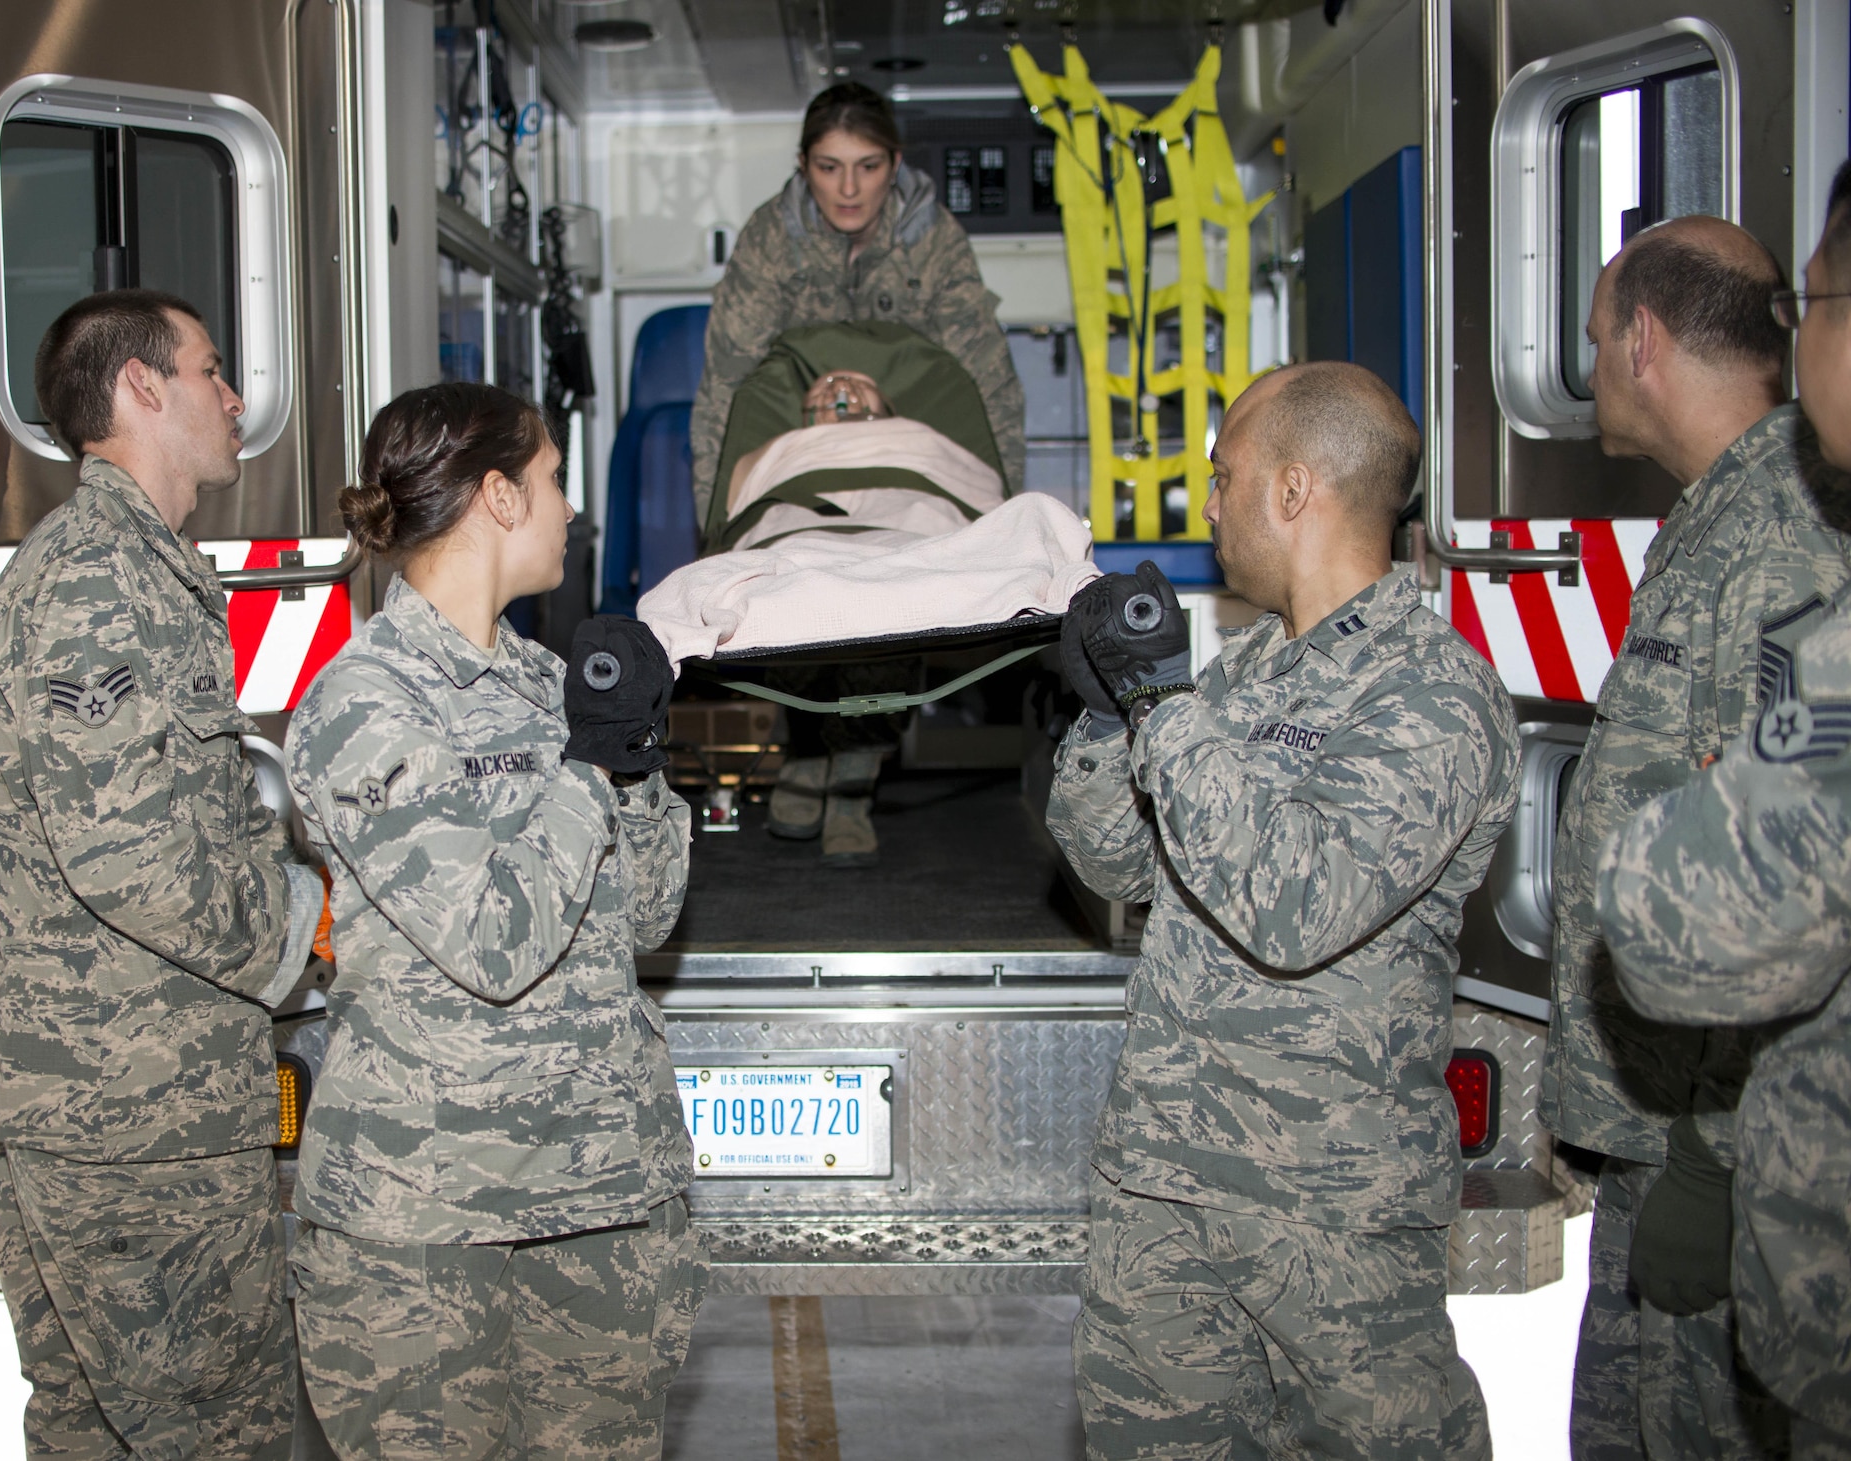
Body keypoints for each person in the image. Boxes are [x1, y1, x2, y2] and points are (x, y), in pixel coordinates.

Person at [1048, 361, 1518, 1458]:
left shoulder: (1432, 693)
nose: (1210, 507)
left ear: (1294, 490)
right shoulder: (1247, 671)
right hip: (1164, 1189)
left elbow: (1294, 904)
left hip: (1328, 1216)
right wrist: (1107, 719)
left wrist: (1162, 707)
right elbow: (1119, 862)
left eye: (1224, 478)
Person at [0, 289, 324, 1459]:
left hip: (89, 1096)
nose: (234, 397)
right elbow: (131, 857)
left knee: (95, 1428)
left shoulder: (129, 565)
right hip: (128, 1115)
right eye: (210, 369)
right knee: (216, 1426)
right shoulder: (102, 581)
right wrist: (303, 921)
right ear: (141, 387)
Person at [284, 383, 704, 1461]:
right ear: (498, 496)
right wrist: (588, 771)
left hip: (598, 1200)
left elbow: (648, 917)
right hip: (427, 1229)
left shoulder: (550, 684)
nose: (571, 507)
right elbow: (491, 941)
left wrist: (637, 765)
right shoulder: (364, 702)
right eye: (554, 479)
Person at [1542, 216, 1851, 1459]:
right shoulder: (1719, 517)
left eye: (1593, 341)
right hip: (1665, 1136)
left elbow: (1788, 890)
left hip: (1730, 1161)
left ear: (1642, 341)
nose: (1590, 373)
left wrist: (1711, 1165)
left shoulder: (1780, 539)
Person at [692, 82, 1025, 863]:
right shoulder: (771, 242)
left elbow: (983, 381)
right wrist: (720, 522)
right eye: (829, 166)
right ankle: (810, 750)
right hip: (802, 456)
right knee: (797, 586)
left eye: (868, 166)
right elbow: (728, 388)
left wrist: (997, 510)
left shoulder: (934, 243)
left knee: (893, 585)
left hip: (900, 455)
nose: (848, 188)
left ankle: (854, 773)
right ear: (802, 165)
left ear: (895, 163)